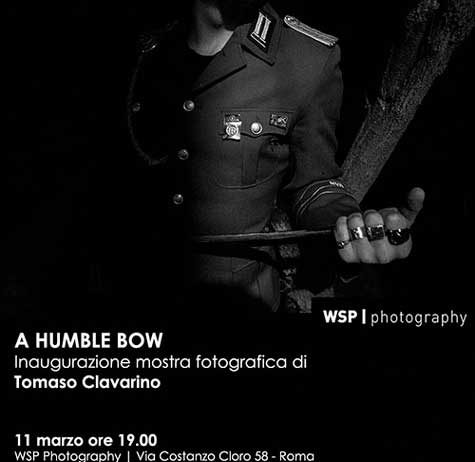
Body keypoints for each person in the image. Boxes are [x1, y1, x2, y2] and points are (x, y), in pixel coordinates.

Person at [125, 0, 425, 312]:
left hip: (238, 309)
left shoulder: (306, 58)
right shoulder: (146, 46)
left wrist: (348, 225)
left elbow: (314, 181)